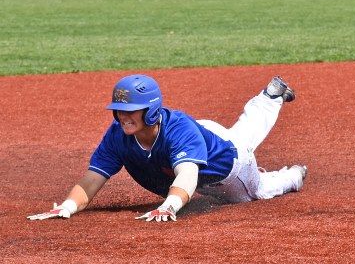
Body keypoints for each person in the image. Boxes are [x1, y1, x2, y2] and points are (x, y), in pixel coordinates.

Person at [27, 74, 307, 222]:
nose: (123, 116)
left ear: (151, 111)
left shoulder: (177, 130)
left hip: (231, 163)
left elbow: (186, 175)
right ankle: (270, 97)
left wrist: (170, 206)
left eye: (131, 110)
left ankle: (292, 176)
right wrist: (67, 206)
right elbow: (92, 178)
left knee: (254, 190)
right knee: (242, 133)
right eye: (119, 109)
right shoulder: (118, 134)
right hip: (200, 134)